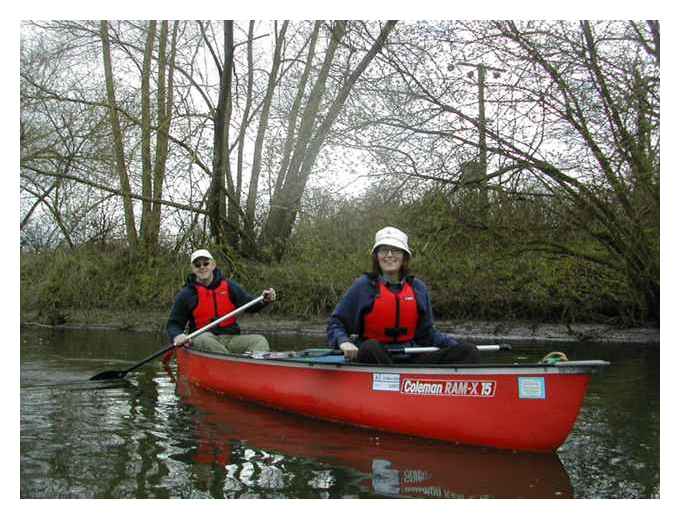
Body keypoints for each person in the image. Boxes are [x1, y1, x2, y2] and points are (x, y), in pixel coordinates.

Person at [327, 227, 480, 364]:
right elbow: (336, 323)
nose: (389, 255)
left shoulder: (418, 288)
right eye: (383, 250)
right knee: (370, 347)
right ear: (376, 256)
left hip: (410, 356)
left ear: (404, 256)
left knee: (468, 351)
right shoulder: (363, 286)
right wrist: (344, 342)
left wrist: (456, 345)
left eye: (395, 250)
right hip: (374, 357)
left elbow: (427, 334)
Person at [167, 249, 276, 354]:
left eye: (206, 263)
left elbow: (250, 305)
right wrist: (177, 335)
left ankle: (252, 368)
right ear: (193, 269)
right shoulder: (186, 294)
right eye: (197, 265)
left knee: (259, 340)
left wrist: (264, 301)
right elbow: (174, 324)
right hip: (202, 339)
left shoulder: (230, 287)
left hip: (231, 338)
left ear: (213, 265)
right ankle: (232, 365)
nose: (202, 267)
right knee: (202, 339)